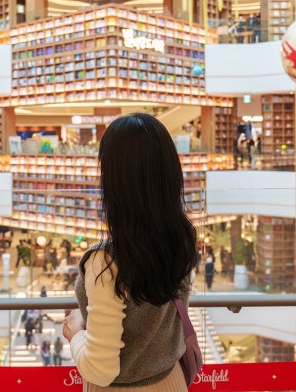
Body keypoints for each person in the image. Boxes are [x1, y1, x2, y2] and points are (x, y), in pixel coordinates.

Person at [62, 113, 196, 390]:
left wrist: (75, 333)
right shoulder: (181, 239)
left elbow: (100, 369)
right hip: (172, 380)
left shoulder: (106, 262)